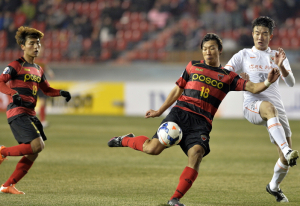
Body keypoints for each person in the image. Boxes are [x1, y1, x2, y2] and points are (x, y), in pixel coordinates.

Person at [108, 33, 280, 206]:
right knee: (152, 149)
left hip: (202, 123)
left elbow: (253, 87)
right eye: (205, 49)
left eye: (212, 48)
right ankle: (125, 140)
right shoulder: (192, 66)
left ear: (219, 50)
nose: (208, 52)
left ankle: (175, 199)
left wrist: (267, 82)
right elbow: (178, 90)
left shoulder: (229, 77)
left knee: (196, 154)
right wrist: (160, 110)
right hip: (180, 113)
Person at [224, 16, 299, 203]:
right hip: (252, 106)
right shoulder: (243, 55)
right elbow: (225, 73)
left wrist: (281, 66)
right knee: (269, 109)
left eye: (264, 33)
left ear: (270, 36)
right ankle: (287, 150)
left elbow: (291, 83)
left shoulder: (276, 56)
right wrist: (237, 78)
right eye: (257, 33)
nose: (260, 36)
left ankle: (273, 186)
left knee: (285, 158)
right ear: (252, 34)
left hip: (276, 109)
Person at [0, 26, 71, 194]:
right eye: (31, 43)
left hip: (30, 114)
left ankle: (7, 186)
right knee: (37, 145)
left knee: (34, 152)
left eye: (38, 43)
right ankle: (3, 152)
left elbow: (46, 90)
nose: (36, 46)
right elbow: (1, 81)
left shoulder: (38, 69)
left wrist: (61, 92)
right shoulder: (15, 65)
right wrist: (12, 93)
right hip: (17, 111)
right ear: (23, 46)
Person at [35, 56, 55, 127]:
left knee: (43, 102)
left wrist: (50, 73)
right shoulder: (30, 60)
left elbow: (46, 68)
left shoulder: (42, 61)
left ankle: (43, 121)